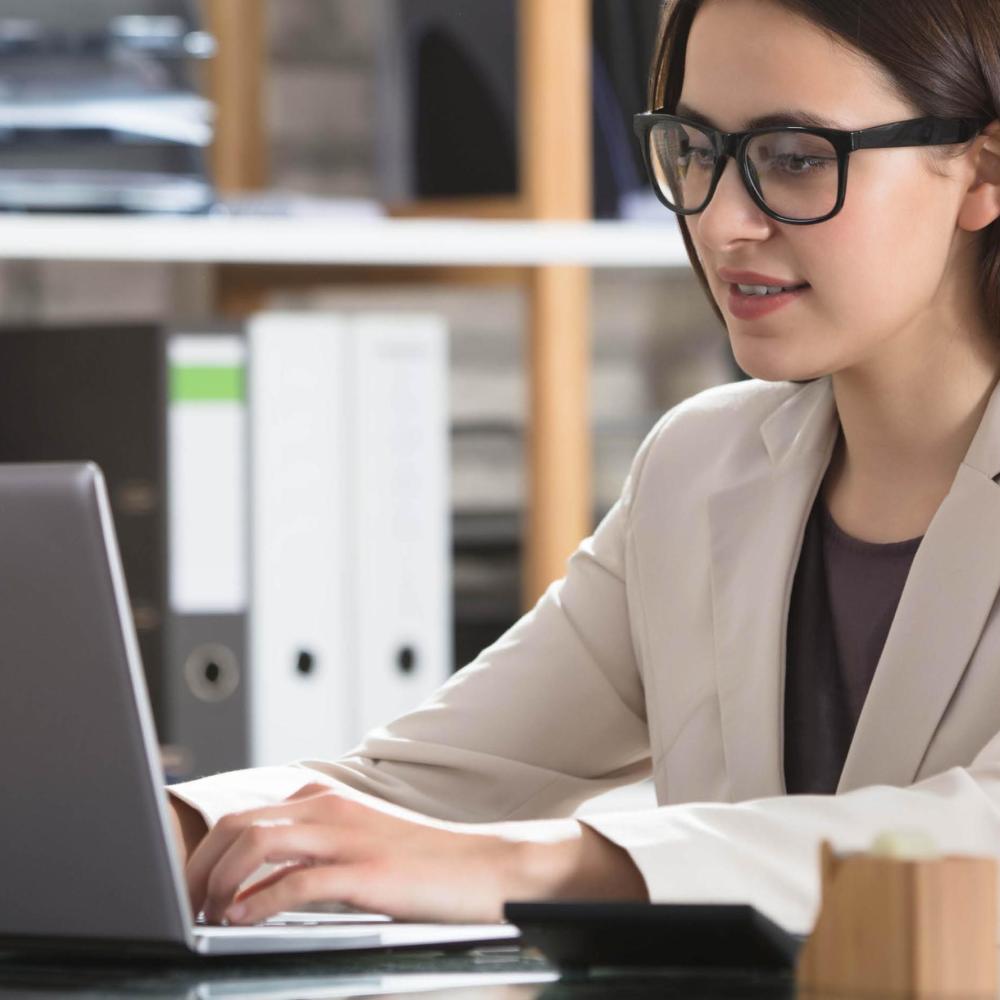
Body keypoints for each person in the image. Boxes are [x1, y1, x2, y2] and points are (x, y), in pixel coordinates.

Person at [168, 0, 1000, 934]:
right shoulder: (701, 469)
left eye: (795, 158)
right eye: (693, 148)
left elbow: (982, 840)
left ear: (983, 171)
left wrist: (542, 865)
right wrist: (153, 826)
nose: (722, 222)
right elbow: (413, 789)